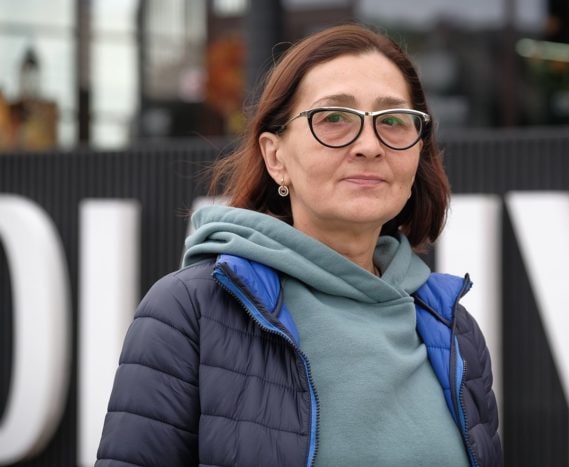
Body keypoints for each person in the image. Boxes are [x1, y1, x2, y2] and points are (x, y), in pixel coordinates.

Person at [96, 23, 502, 467]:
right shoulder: (190, 311)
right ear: (275, 157)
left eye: (393, 121)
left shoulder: (455, 332)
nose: (370, 146)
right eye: (333, 119)